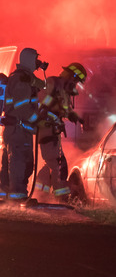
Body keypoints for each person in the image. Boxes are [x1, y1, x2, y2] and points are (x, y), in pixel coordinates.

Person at [0, 47, 47, 203]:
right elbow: (23, 107)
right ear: (29, 60)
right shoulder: (21, 80)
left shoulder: (24, 77)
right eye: (35, 60)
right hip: (19, 130)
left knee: (9, 164)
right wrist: (37, 120)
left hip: (15, 130)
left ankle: (4, 197)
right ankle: (17, 197)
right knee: (21, 163)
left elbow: (43, 86)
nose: (37, 63)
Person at [35, 62, 87, 202]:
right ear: (71, 76)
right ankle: (61, 198)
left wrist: (72, 116)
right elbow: (41, 106)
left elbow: (62, 108)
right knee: (59, 165)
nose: (76, 84)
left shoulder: (63, 89)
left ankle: (41, 194)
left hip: (53, 130)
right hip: (46, 129)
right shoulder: (52, 83)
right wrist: (54, 118)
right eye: (76, 80)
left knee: (51, 163)